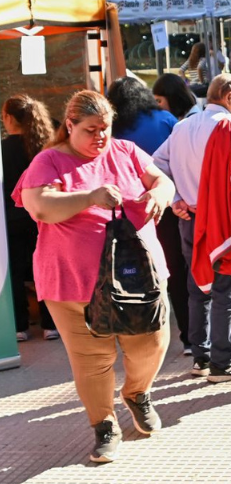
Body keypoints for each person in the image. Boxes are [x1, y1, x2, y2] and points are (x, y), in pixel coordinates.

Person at [13, 91, 173, 463]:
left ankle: (137, 393)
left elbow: (162, 180)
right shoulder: (48, 160)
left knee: (151, 342)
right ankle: (104, 425)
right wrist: (89, 197)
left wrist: (160, 196)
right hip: (72, 282)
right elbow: (41, 207)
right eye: (90, 129)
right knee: (92, 358)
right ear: (69, 126)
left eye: (105, 128)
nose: (100, 136)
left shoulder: (126, 151)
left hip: (139, 276)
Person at [153, 74, 231, 383]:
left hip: (192, 218)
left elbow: (157, 164)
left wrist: (177, 199)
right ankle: (222, 363)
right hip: (225, 219)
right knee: (225, 288)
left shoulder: (182, 126)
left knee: (198, 285)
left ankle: (201, 356)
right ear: (227, 96)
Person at [106, 77, 191, 355]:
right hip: (165, 204)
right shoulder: (165, 118)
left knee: (131, 270)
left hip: (127, 211)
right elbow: (180, 157)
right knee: (174, 269)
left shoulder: (111, 131)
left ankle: (137, 329)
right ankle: (188, 335)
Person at [2, 95, 57, 341]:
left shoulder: (3, 149)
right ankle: (50, 324)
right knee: (43, 268)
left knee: (13, 271)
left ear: (9, 118)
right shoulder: (45, 147)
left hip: (11, 220)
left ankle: (19, 327)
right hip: (42, 216)